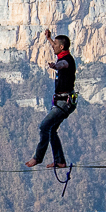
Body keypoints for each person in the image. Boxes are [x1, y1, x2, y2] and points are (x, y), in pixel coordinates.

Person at [25, 29, 77, 169]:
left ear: (61, 47)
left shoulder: (66, 61)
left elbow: (62, 65)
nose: (52, 46)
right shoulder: (62, 53)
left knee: (44, 126)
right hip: (62, 101)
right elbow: (55, 44)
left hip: (64, 104)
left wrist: (55, 66)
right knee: (52, 130)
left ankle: (38, 157)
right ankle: (60, 161)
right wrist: (49, 39)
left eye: (55, 45)